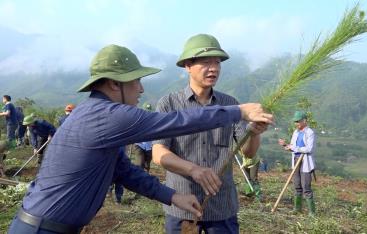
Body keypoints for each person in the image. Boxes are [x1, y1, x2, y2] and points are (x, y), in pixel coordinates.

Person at [8, 44, 273, 234]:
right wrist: (238, 111)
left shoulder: (93, 115)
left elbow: (125, 172)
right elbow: (176, 122)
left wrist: (173, 197)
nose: (142, 88)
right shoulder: (108, 116)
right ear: (114, 84)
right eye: (136, 81)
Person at [152, 34, 271, 233]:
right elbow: (158, 153)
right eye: (206, 62)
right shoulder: (169, 104)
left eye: (217, 63)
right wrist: (194, 170)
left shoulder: (230, 104)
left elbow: (248, 153)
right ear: (187, 66)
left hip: (221, 207)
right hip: (182, 206)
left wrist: (254, 133)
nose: (214, 68)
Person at [278, 111, 316, 216]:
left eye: (298, 121)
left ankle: (312, 212)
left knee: (306, 186)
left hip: (305, 161)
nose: (296, 123)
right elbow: (292, 147)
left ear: (304, 121)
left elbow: (309, 149)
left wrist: (293, 147)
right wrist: (285, 145)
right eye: (295, 121)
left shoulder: (310, 133)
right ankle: (297, 208)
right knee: (297, 185)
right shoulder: (296, 132)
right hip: (296, 160)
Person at [133, 102, 153, 172]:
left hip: (149, 147)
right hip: (139, 145)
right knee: (140, 163)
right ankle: (136, 180)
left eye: (148, 111)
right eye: (145, 111)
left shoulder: (153, 122)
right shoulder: (137, 120)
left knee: (147, 165)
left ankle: (144, 180)